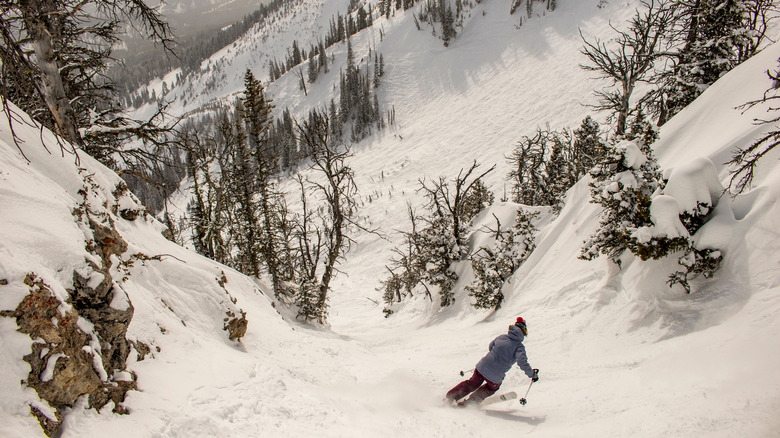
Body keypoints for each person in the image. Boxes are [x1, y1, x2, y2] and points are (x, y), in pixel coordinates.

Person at [446, 317, 539, 406]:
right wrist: (533, 375)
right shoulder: (519, 347)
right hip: (495, 376)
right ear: (523, 332)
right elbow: (522, 363)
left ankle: (450, 397)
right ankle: (470, 403)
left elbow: (491, 347)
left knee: (472, 383)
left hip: (482, 367)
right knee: (491, 388)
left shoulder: (502, 337)